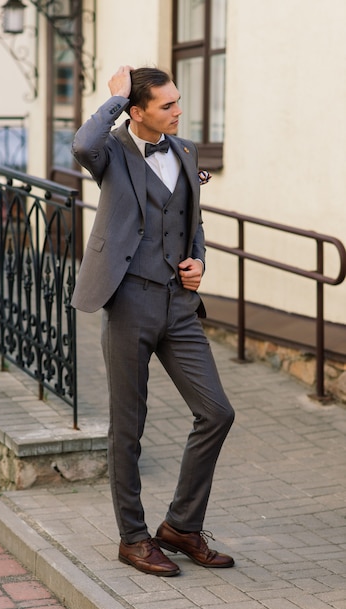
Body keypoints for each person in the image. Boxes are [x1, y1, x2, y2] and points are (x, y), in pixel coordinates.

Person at [71, 65, 235, 576]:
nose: (179, 111)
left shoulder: (184, 151)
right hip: (128, 301)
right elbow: (81, 144)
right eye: (167, 105)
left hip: (179, 307)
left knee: (217, 413)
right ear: (138, 111)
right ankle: (133, 537)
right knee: (129, 428)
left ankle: (181, 526)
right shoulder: (111, 152)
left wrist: (200, 260)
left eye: (178, 101)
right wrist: (116, 98)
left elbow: (194, 221)